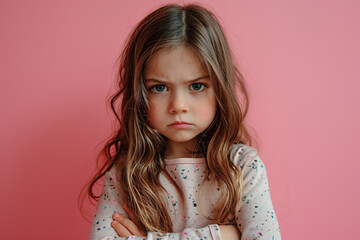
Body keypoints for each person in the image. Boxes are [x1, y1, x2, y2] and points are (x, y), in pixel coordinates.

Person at [86, 3, 281, 240]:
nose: (178, 105)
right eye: (159, 87)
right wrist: (221, 236)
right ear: (139, 94)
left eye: (197, 86)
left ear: (220, 87)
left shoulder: (242, 166)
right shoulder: (125, 173)